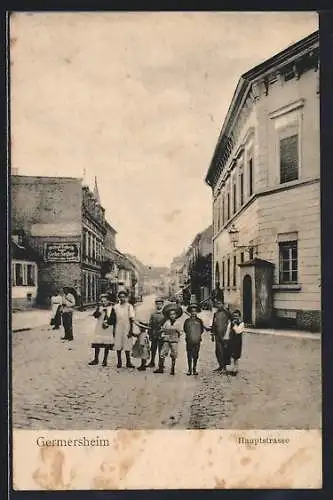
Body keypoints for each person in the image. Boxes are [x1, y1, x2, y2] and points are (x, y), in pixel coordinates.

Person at [154, 303, 183, 376]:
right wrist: (162, 334)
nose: (172, 316)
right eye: (170, 314)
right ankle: (161, 368)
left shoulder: (178, 323)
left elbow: (181, 331)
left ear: (176, 315)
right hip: (166, 340)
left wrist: (178, 334)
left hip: (174, 340)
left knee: (174, 353)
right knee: (163, 352)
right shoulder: (166, 322)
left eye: (174, 314)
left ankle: (172, 368)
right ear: (169, 316)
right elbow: (163, 330)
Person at [88, 293, 114, 367]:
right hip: (99, 326)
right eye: (102, 301)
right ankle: (96, 359)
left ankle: (105, 360)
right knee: (97, 343)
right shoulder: (99, 308)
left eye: (105, 301)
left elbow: (113, 318)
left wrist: (108, 322)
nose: (103, 303)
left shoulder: (112, 308)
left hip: (107, 327)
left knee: (106, 344)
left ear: (108, 301)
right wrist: (99, 312)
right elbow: (95, 316)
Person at [112, 289, 135, 368]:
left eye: (123, 297)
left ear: (126, 297)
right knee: (118, 344)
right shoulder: (115, 307)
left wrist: (131, 330)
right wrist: (114, 330)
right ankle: (119, 362)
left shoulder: (129, 306)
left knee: (127, 345)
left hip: (127, 327)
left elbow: (131, 319)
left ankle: (128, 362)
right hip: (118, 327)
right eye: (120, 297)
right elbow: (113, 320)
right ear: (118, 298)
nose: (122, 299)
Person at [183, 303, 205, 376]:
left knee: (196, 355)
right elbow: (185, 329)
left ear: (197, 312)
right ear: (190, 312)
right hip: (189, 340)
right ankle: (189, 369)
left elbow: (201, 330)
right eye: (192, 311)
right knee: (189, 354)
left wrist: (197, 336)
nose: (193, 313)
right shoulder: (187, 321)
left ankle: (194, 369)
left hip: (197, 340)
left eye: (195, 311)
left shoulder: (199, 321)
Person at [211, 299, 231, 373]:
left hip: (225, 335)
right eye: (217, 304)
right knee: (218, 351)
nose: (218, 305)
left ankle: (225, 367)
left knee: (225, 350)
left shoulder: (227, 313)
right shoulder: (215, 314)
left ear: (223, 304)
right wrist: (212, 334)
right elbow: (213, 324)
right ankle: (220, 366)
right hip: (217, 335)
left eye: (220, 303)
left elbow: (231, 322)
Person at [147, 297, 165, 368]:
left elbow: (166, 324)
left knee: (161, 349)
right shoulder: (153, 314)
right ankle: (152, 362)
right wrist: (150, 333)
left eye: (160, 304)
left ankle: (161, 363)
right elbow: (150, 324)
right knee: (153, 348)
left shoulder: (164, 314)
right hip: (154, 333)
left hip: (161, 334)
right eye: (157, 304)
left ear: (162, 304)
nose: (158, 305)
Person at [228, 309, 244, 376]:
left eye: (237, 316)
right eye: (234, 316)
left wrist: (234, 325)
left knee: (236, 356)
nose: (235, 318)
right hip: (232, 340)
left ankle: (236, 369)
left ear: (239, 317)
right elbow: (229, 331)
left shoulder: (241, 324)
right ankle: (232, 368)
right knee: (232, 354)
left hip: (237, 341)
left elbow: (238, 331)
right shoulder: (231, 323)